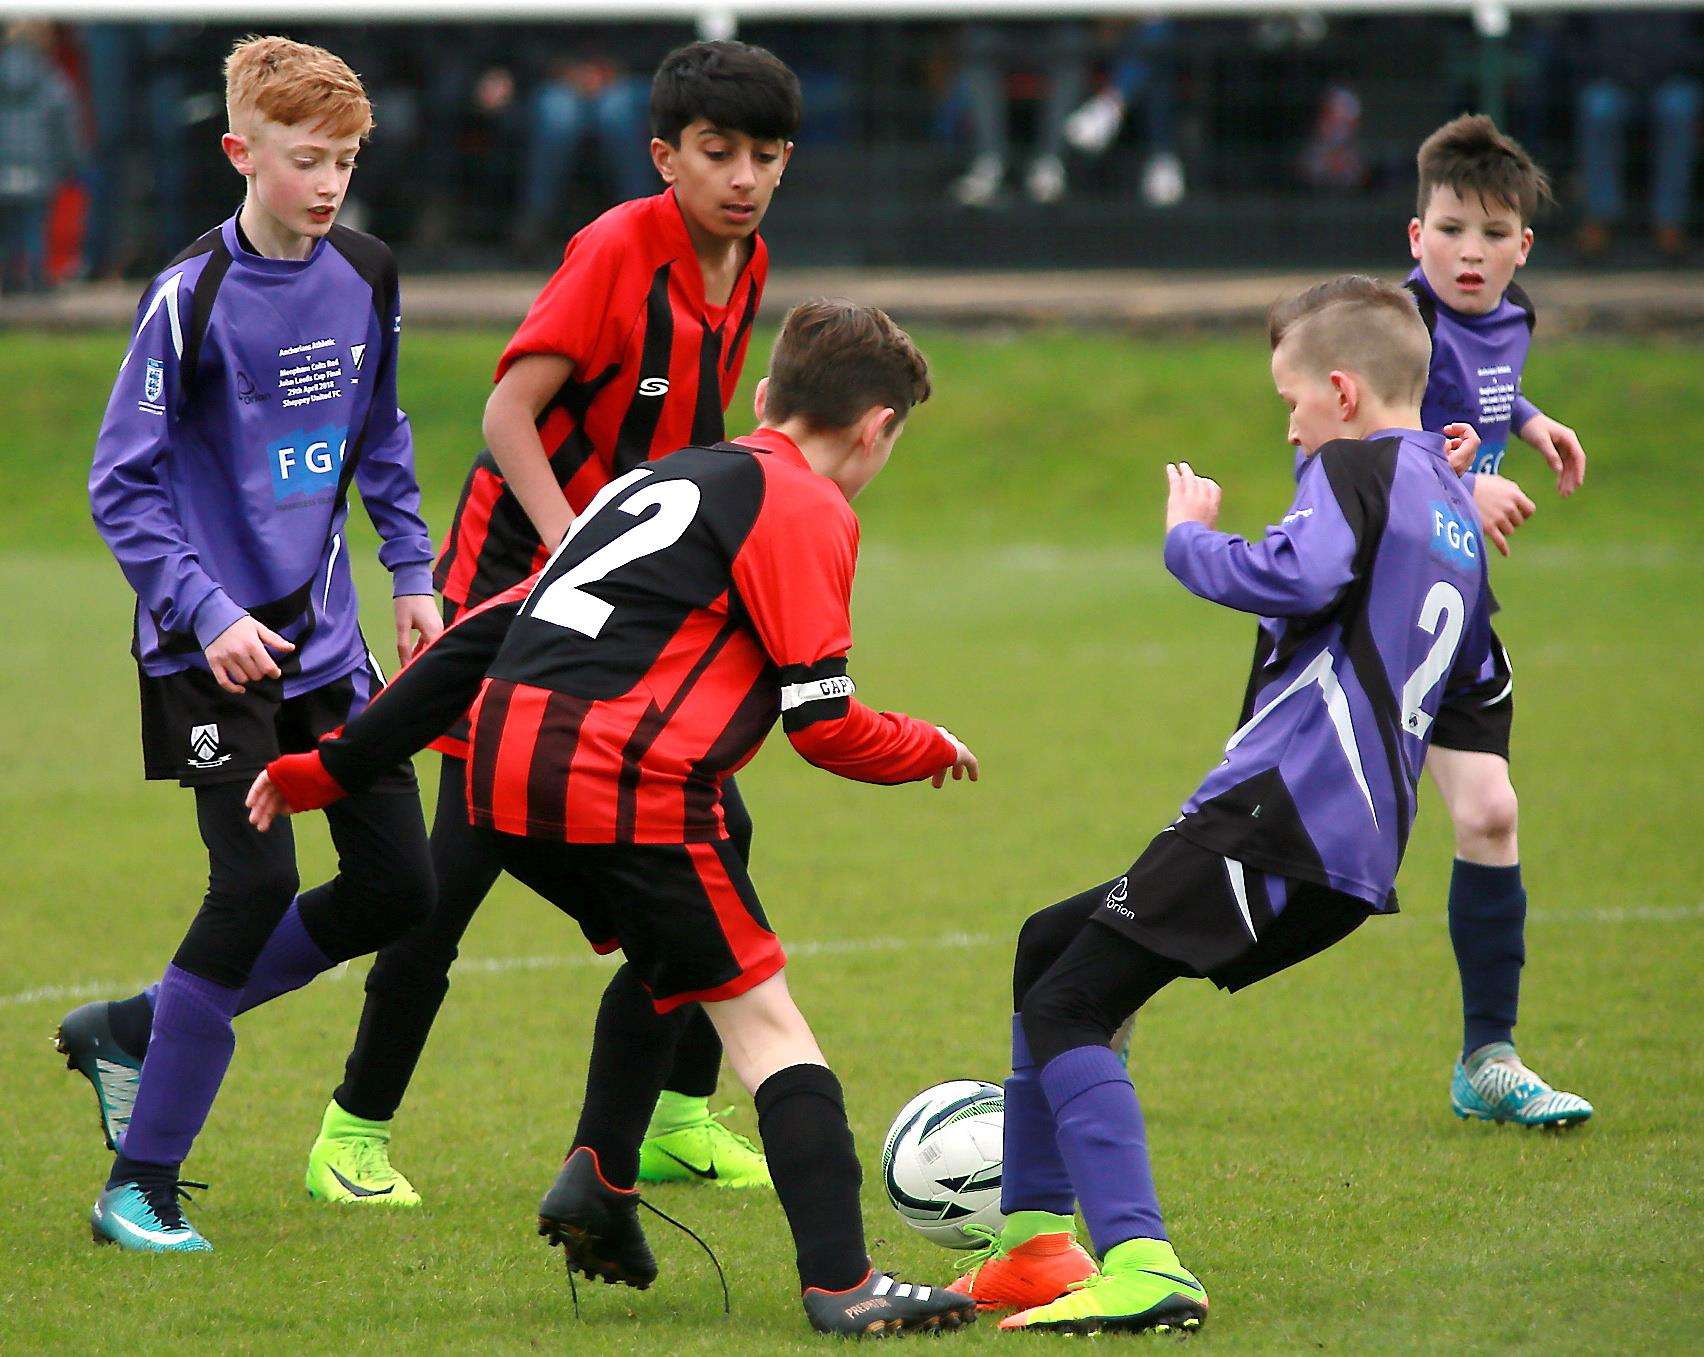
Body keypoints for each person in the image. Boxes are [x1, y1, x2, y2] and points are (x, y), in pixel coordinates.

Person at [246, 299, 983, 1337]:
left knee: (665, 959)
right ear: (877, 430)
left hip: (502, 773)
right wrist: (927, 746)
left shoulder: (655, 480)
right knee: (768, 1025)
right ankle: (844, 1282)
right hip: (622, 780)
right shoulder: (808, 506)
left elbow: (483, 633)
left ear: (766, 398)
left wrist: (337, 765)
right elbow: (822, 725)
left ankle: (598, 1176)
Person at [951, 277, 1496, 1334]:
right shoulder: (1448, 500)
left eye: (1290, 399)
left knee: (1073, 1001)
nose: (1287, 421)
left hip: (1281, 816)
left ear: (1340, 391)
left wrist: (1189, 539)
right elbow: (1468, 664)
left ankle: (1143, 1260)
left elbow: (1296, 575)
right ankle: (1031, 1247)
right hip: (1341, 842)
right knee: (1049, 946)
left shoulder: (1350, 465)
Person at [73, 36, 441, 1253]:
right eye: (304, 160)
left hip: (327, 645)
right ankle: (141, 1182)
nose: (328, 183)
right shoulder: (191, 296)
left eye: (343, 160)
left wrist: (413, 573)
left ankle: (141, 1024)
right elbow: (121, 485)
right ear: (241, 153)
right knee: (255, 886)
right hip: (204, 652)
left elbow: (378, 435)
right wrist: (205, 610)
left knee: (399, 882)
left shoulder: (369, 271)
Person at [1403, 114, 1593, 1129]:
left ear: (1522, 245)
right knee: (1294, 852)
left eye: (1490, 234)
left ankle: (1489, 1056)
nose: (1468, 253)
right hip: (1373, 625)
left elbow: (1479, 388)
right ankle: (1108, 984)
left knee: (1489, 814)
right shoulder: (1395, 326)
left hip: (1458, 616)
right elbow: (1364, 437)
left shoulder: (1507, 316)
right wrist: (1455, 487)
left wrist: (1529, 420)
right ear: (1414, 235)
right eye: (1449, 230)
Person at [0, 21, 81, 292]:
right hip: (38, 168)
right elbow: (66, 125)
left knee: (8, 230)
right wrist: (71, 162)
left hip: (4, 168)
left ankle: (9, 281)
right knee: (35, 229)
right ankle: (37, 278)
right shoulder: (52, 79)